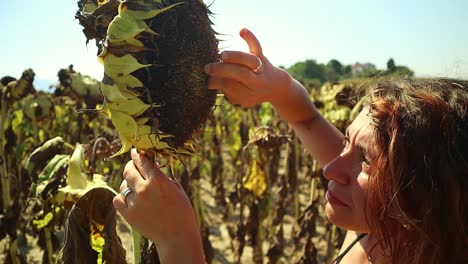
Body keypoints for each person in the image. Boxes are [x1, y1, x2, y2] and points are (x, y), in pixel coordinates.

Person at [113, 28, 468, 263]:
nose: (330, 167)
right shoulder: (385, 226)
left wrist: (177, 241)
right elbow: (307, 119)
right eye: (347, 142)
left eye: (366, 161)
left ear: (428, 200)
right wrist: (278, 87)